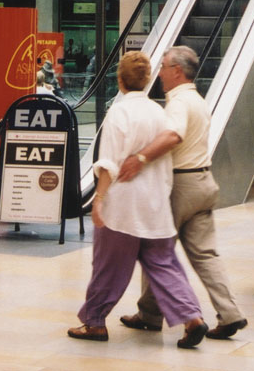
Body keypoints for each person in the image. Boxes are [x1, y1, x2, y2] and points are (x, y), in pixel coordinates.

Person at [68, 51, 209, 349]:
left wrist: (99, 199)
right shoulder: (160, 112)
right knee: (164, 265)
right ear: (146, 81)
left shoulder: (118, 113)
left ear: (120, 80)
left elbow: (108, 163)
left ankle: (93, 322)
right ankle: (192, 317)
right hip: (156, 204)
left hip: (122, 206)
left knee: (108, 267)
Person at [118, 45, 247, 340]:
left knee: (155, 251)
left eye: (163, 66)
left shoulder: (177, 102)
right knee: (206, 254)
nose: (159, 73)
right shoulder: (198, 100)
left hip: (180, 185)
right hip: (204, 182)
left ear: (177, 71)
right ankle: (230, 314)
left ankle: (164, 316)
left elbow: (173, 135)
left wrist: (140, 158)